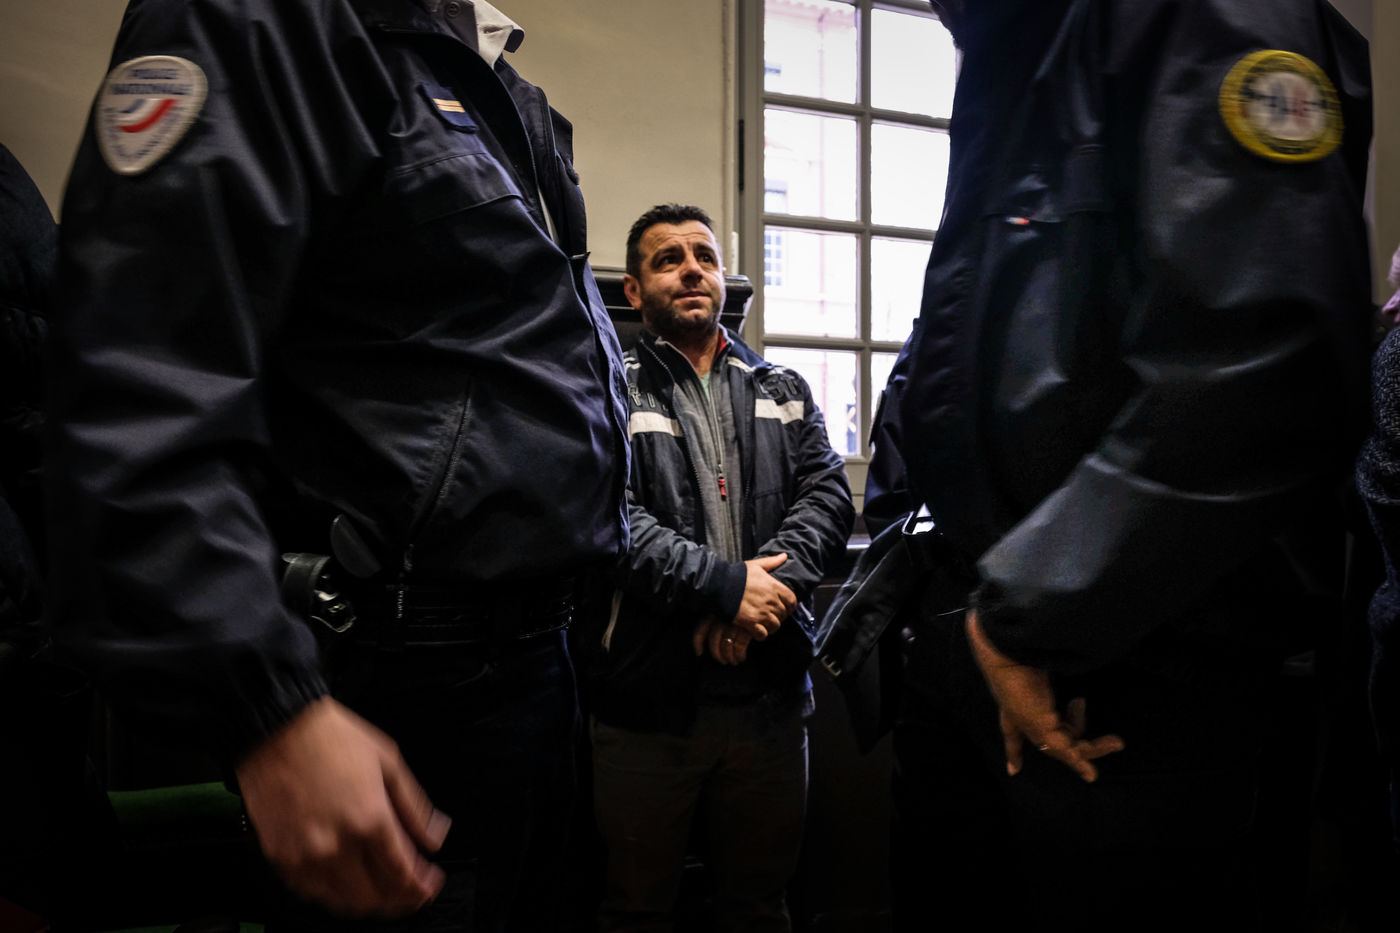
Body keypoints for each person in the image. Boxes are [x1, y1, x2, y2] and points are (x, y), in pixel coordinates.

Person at [46, 0, 630, 927]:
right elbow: (139, 378)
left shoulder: (490, 74)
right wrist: (270, 710)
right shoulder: (267, 19)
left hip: (542, 668)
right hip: (394, 671)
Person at [884, 1, 1372, 930]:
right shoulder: (1025, 42)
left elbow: (1269, 354)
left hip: (1125, 655)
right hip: (996, 625)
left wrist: (1034, 611)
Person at [584, 204, 853, 932]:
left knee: (759, 907)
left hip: (769, 699)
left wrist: (762, 600)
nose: (691, 270)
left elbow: (829, 497)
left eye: (703, 257)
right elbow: (609, 516)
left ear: (725, 279)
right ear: (634, 290)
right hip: (646, 706)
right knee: (635, 908)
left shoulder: (783, 387)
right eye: (668, 259)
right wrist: (725, 589)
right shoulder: (607, 390)